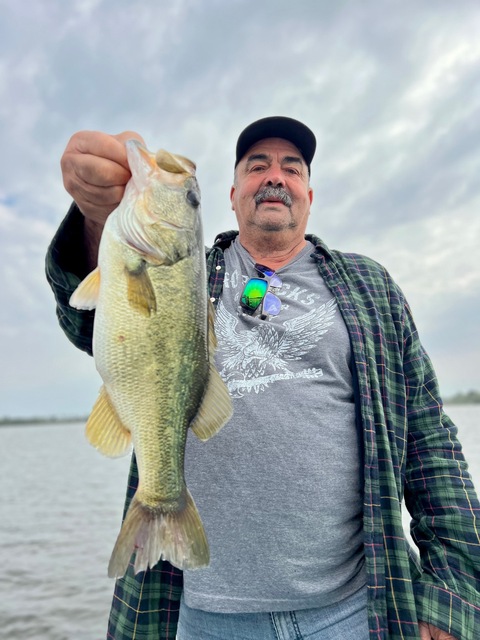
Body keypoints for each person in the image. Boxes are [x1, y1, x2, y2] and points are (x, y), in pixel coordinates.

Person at [46, 117, 480, 640]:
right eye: (258, 166)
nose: (275, 176)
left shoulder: (371, 286)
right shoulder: (186, 269)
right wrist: (94, 222)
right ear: (233, 195)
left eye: (291, 167)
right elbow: (87, 321)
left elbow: (430, 438)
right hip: (202, 616)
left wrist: (452, 590)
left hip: (356, 609)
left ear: (309, 195)